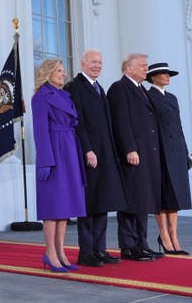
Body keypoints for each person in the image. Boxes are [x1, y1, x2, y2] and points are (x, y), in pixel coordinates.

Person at [64, 50, 127, 267]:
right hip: (89, 154)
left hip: (106, 153)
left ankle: (100, 250)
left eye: (100, 62)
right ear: (82, 63)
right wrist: (87, 150)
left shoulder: (99, 88)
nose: (97, 65)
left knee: (103, 202)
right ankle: (86, 252)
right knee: (89, 204)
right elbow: (77, 122)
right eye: (93, 62)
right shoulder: (74, 87)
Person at [32, 59, 86, 273]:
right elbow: (40, 131)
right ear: (48, 73)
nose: (64, 74)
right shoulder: (41, 97)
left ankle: (61, 252)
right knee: (52, 207)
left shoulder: (66, 96)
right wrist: (45, 161)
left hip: (70, 149)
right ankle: (50, 253)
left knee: (65, 207)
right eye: (59, 71)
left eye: (64, 71)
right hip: (54, 152)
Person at [107, 54, 162, 261]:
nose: (146, 69)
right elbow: (121, 122)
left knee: (144, 200)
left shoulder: (141, 90)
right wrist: (129, 148)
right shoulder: (119, 89)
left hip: (147, 154)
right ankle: (129, 247)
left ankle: (142, 244)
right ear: (128, 69)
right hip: (132, 154)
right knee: (132, 201)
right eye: (142, 66)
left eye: (146, 65)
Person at [146, 62, 192, 255]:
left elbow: (178, 126)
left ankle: (174, 237)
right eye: (163, 74)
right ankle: (164, 236)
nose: (167, 76)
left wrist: (185, 151)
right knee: (162, 195)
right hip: (161, 150)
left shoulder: (172, 97)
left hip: (177, 150)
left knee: (175, 197)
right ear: (153, 77)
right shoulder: (149, 96)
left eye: (168, 74)